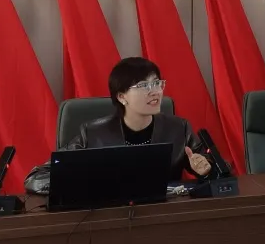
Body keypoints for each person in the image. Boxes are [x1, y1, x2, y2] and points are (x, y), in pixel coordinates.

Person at [24, 57, 214, 193]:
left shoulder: (178, 128)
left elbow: (218, 171)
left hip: (164, 217)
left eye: (157, 84)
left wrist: (206, 171)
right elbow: (36, 178)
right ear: (122, 97)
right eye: (144, 86)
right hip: (109, 219)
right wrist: (83, 181)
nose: (155, 92)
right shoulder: (93, 134)